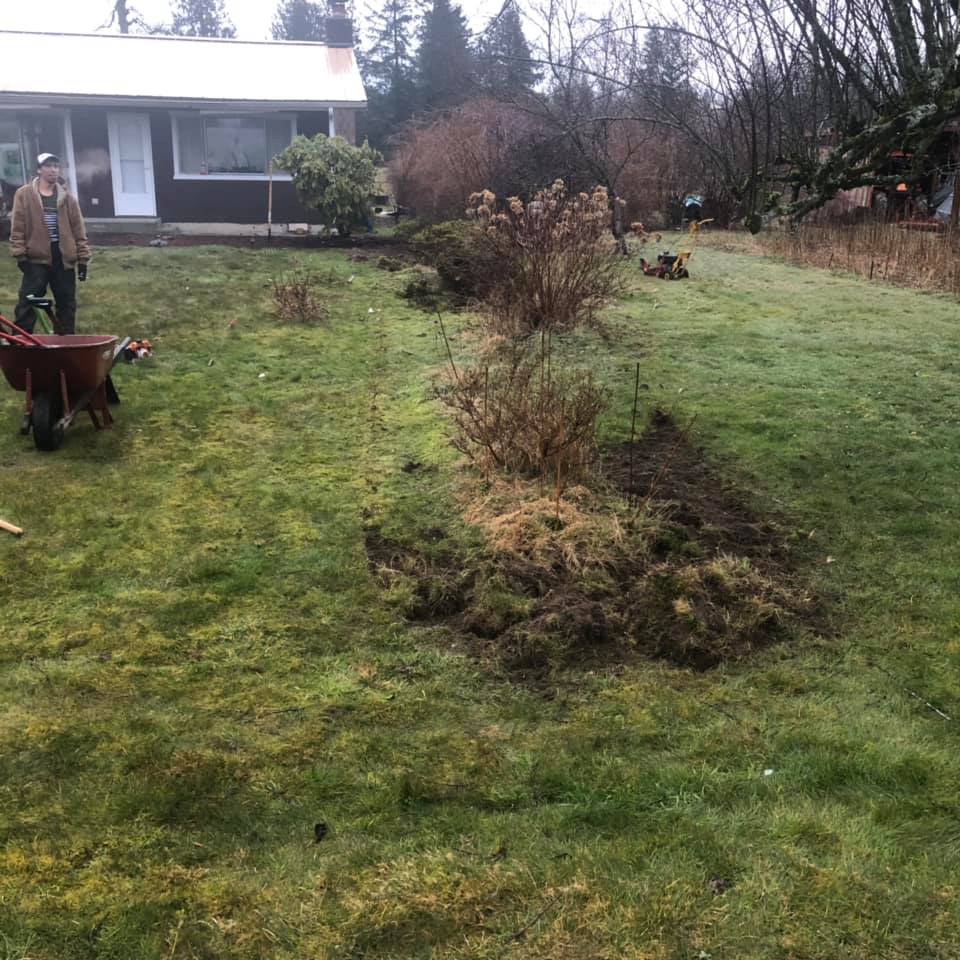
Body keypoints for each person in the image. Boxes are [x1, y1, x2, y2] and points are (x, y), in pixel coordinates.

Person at [9, 153, 90, 334]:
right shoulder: (24, 194)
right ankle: (20, 343)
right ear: (39, 170)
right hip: (36, 259)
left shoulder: (68, 198)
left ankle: (66, 343)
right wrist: (20, 254)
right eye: (48, 166)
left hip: (63, 258)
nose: (53, 170)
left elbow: (79, 229)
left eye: (55, 166)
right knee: (28, 302)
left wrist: (83, 259)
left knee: (66, 303)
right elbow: (18, 226)